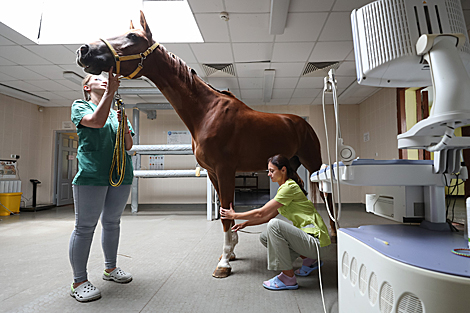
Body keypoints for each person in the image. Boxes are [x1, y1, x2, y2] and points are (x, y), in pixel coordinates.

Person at [68, 67, 135, 302]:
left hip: (120, 174)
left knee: (112, 222)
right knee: (85, 227)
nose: (104, 80)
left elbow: (127, 145)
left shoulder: (117, 112)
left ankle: (110, 268)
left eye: (105, 79)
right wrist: (111, 94)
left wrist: (124, 123)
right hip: (92, 176)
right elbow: (96, 122)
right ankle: (79, 280)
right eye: (97, 78)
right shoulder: (80, 106)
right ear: (87, 87)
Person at [220, 154, 331, 290]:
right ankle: (309, 260)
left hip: (316, 241)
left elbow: (262, 212)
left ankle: (288, 278)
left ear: (283, 170)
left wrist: (234, 215)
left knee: (275, 225)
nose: (269, 174)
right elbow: (266, 216)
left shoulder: (289, 188)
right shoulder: (284, 189)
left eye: (272, 171)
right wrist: (245, 223)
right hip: (309, 240)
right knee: (265, 237)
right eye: (268, 171)